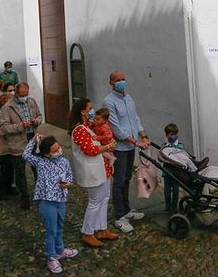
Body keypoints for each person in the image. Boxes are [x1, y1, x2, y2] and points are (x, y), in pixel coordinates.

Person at [102, 71, 150, 233]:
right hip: (120, 148)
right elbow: (115, 127)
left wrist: (143, 135)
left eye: (123, 79)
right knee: (119, 180)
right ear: (111, 83)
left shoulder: (128, 98)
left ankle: (127, 210)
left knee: (127, 178)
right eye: (118, 80)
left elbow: (135, 119)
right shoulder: (108, 102)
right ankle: (118, 217)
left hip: (131, 147)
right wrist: (135, 141)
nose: (121, 82)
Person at [22, 135, 78, 274]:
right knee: (51, 230)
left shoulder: (64, 161)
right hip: (47, 202)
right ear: (46, 153)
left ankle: (60, 250)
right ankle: (51, 256)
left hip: (61, 200)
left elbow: (70, 176)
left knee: (59, 226)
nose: (59, 150)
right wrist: (34, 141)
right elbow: (25, 155)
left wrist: (67, 183)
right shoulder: (40, 162)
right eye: (54, 150)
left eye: (58, 147)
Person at [68, 98, 119, 247]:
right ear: (83, 111)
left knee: (104, 198)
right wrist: (109, 146)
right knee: (95, 201)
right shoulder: (79, 130)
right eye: (90, 108)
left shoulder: (88, 126)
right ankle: (88, 232)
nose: (92, 110)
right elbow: (90, 150)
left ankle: (101, 228)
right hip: (91, 170)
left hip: (102, 169)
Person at [0, 83, 42, 210]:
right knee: (20, 171)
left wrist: (37, 121)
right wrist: (21, 126)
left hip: (33, 139)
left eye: (26, 94)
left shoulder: (31, 101)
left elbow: (39, 115)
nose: (25, 97)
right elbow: (4, 129)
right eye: (22, 95)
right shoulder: (7, 107)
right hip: (17, 142)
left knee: (37, 168)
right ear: (16, 93)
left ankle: (41, 193)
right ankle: (25, 197)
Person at [0, 92, 27, 203]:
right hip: (2, 148)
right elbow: (5, 131)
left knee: (10, 169)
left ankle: (8, 188)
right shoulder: (1, 114)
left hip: (8, 147)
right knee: (5, 170)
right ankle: (0, 192)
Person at [161, 123, 183, 212]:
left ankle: (174, 206)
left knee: (175, 190)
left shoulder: (180, 145)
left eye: (175, 134)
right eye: (171, 134)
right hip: (166, 170)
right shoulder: (164, 146)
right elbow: (161, 157)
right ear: (167, 135)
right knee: (167, 190)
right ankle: (168, 205)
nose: (173, 136)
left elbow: (181, 156)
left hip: (176, 172)